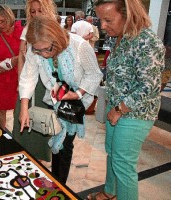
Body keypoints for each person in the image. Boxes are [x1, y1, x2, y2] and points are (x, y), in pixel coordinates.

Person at [87, 0, 165, 199]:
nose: (102, 26)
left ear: (127, 14)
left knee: (123, 164)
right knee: (113, 154)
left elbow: (149, 86)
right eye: (99, 20)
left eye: (108, 20)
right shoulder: (118, 37)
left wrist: (120, 109)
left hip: (135, 114)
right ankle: (110, 193)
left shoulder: (146, 41)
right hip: (116, 108)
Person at [19, 15, 103, 184]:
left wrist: (78, 93)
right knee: (58, 138)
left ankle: (59, 185)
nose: (42, 54)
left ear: (56, 39)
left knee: (64, 142)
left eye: (47, 49)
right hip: (54, 99)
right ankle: (57, 181)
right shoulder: (35, 48)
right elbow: (28, 76)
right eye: (38, 50)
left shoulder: (79, 45)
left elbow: (94, 74)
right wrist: (24, 108)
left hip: (74, 101)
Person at [14, 0, 58, 163]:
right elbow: (22, 56)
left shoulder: (54, 28)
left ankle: (40, 155)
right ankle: (24, 154)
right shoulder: (27, 29)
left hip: (48, 83)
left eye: (40, 11)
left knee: (44, 119)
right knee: (24, 114)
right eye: (33, 12)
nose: (36, 15)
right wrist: (20, 82)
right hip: (30, 78)